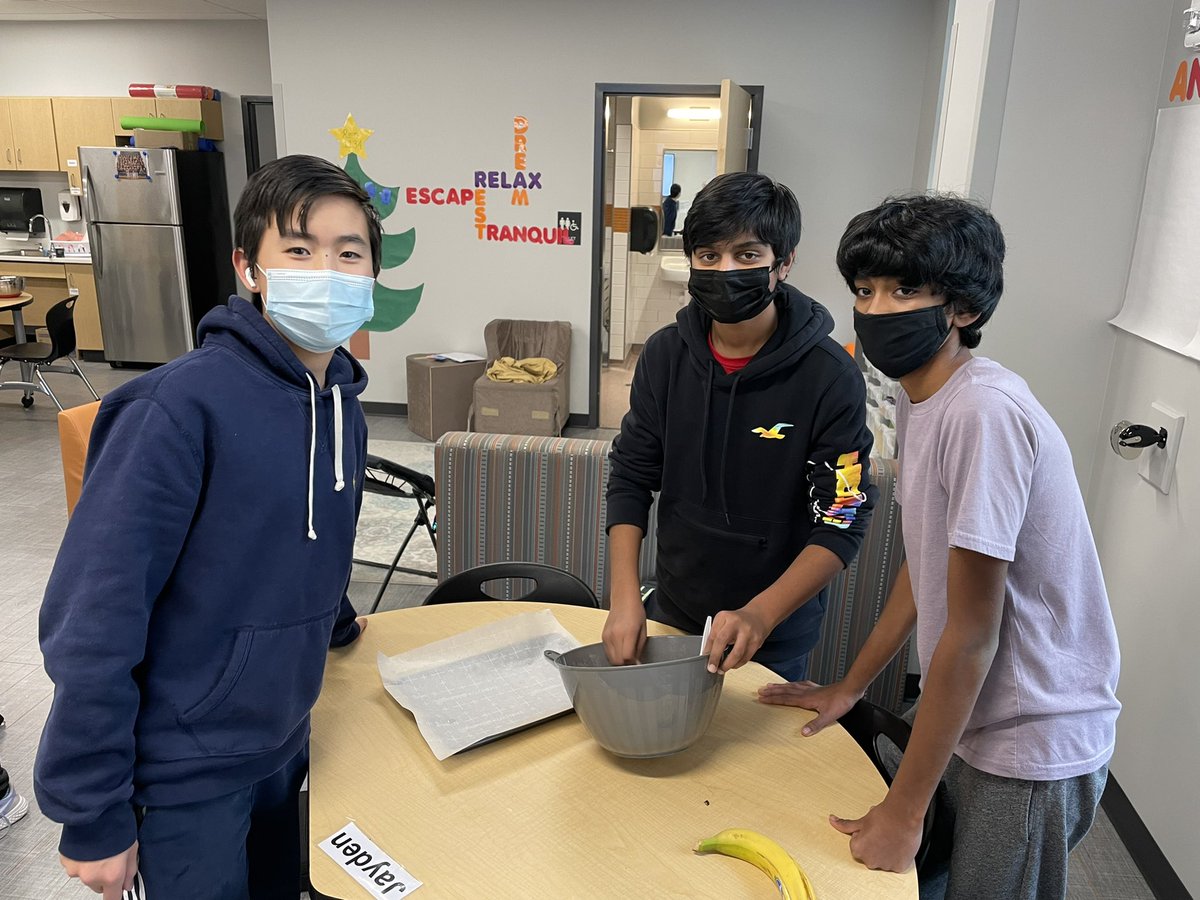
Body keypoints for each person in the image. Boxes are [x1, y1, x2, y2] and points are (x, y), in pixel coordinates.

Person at [35, 154, 381, 899]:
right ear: (249, 268)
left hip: (284, 741)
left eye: (348, 253)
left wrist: (334, 622)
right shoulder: (173, 409)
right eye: (299, 250)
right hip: (184, 770)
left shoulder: (342, 406)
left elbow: (305, 540)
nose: (327, 271)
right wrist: (91, 810)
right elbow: (94, 617)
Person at [759, 195, 1120, 899]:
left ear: (964, 308)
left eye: (905, 290)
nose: (877, 309)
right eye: (865, 290)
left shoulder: (983, 413)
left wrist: (905, 810)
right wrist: (851, 685)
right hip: (977, 712)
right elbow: (925, 568)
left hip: (1029, 736)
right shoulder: (920, 397)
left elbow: (973, 634)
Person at [604, 171, 876, 680]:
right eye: (709, 256)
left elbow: (843, 515)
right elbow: (631, 476)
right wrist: (624, 599)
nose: (725, 270)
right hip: (674, 609)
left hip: (773, 634)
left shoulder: (830, 377)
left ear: (784, 263)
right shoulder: (664, 356)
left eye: (747, 255)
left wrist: (761, 614)